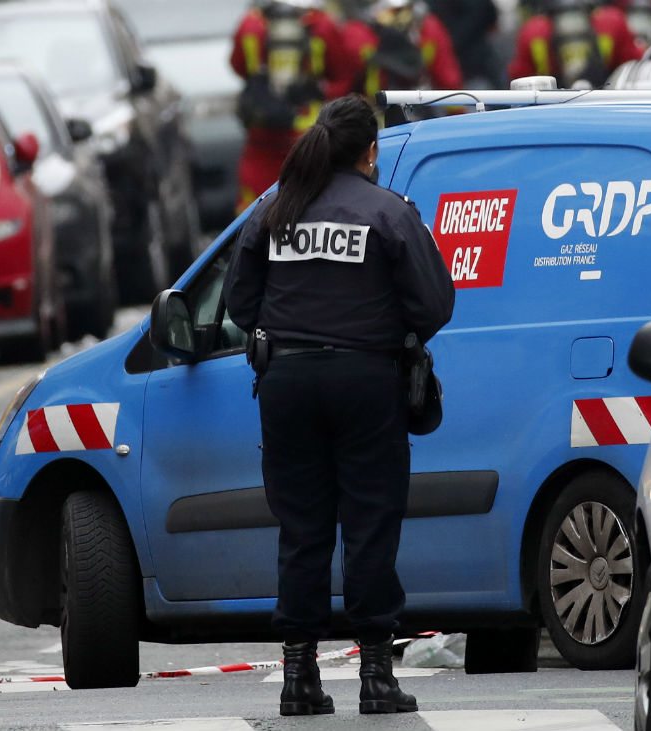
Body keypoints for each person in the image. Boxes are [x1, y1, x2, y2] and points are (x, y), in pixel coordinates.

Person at [222, 94, 455, 716]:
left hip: (288, 383)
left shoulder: (274, 211)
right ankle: (376, 677)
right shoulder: (389, 213)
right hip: (365, 382)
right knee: (370, 524)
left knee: (302, 529)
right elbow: (433, 307)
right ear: (370, 152)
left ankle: (299, 678)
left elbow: (239, 305)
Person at [231, 0, 355, 213]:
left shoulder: (250, 24)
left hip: (262, 135)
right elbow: (345, 75)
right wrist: (318, 91)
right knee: (313, 208)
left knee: (255, 212)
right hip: (310, 136)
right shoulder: (322, 24)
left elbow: (238, 65)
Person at [342, 0, 464, 100]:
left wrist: (457, 114)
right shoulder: (359, 33)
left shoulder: (428, 29)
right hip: (374, 107)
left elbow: (447, 76)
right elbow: (343, 79)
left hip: (420, 100)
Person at [507, 0, 643, 88]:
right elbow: (636, 70)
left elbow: (519, 80)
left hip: (550, 109)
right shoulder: (612, 22)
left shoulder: (532, 31)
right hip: (603, 103)